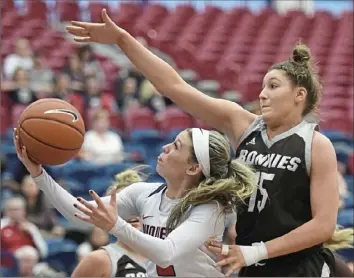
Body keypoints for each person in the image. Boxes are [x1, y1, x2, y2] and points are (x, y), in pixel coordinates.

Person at [66, 9, 339, 277]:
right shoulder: (242, 124)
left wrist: (256, 251)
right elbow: (175, 87)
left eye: (273, 86)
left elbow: (324, 225)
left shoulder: (315, 145)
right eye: (263, 86)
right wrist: (123, 40)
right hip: (250, 265)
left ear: (299, 95)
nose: (262, 94)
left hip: (299, 267)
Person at [14, 127, 256, 277]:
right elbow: (78, 213)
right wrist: (38, 174)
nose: (165, 147)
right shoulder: (144, 193)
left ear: (194, 167)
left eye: (176, 146)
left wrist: (115, 226)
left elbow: (166, 253)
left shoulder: (210, 209)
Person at [72, 169, 148, 277]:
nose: (131, 213)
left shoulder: (167, 256)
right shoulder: (99, 260)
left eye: (137, 205)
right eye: (122, 207)